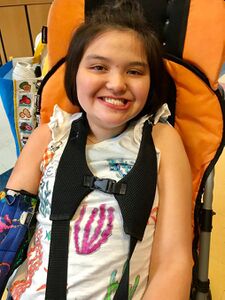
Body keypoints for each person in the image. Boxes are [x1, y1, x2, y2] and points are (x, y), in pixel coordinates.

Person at [5, 0, 193, 299]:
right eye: (99, 67)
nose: (117, 84)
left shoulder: (162, 140)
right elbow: (8, 230)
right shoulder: (48, 136)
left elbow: (174, 261)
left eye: (134, 71)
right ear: (74, 74)